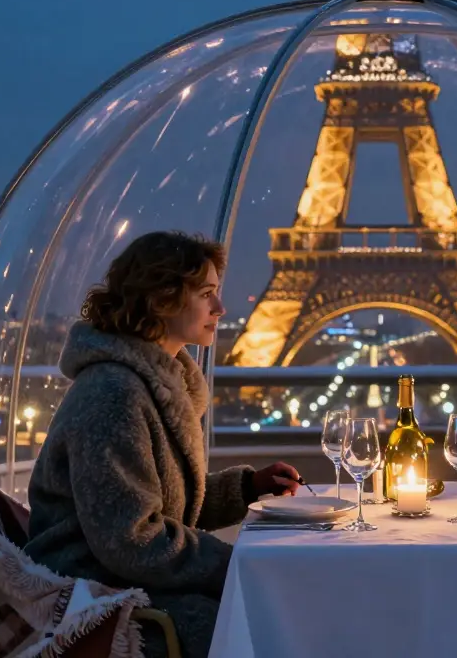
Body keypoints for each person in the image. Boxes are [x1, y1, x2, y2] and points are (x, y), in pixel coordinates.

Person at [25, 230, 302, 658]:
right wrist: (234, 564)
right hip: (94, 599)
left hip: (118, 581)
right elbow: (132, 538)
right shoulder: (113, 396)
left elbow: (160, 505)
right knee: (262, 622)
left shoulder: (150, 385)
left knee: (268, 618)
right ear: (162, 299)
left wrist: (247, 488)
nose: (220, 308)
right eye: (207, 294)